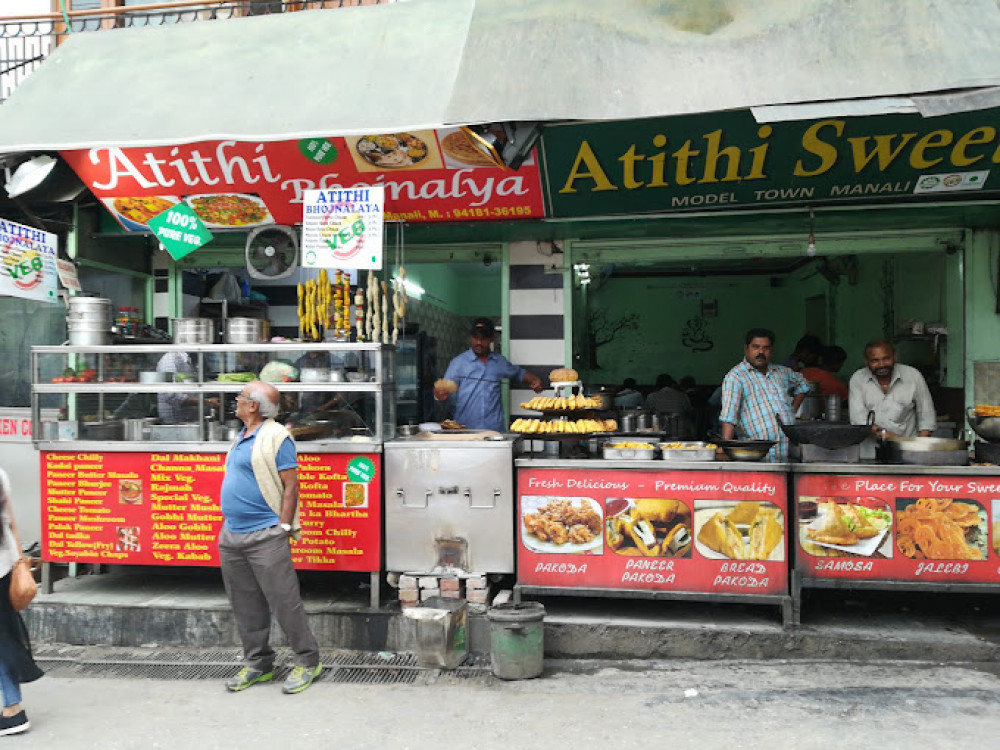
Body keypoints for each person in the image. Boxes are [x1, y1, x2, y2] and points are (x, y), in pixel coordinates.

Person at [219, 380, 321, 695]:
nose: (236, 400)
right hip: (233, 533)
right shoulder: (243, 435)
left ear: (254, 406)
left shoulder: (277, 437)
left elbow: (291, 486)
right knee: (245, 604)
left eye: (242, 396)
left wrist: (285, 527)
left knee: (284, 602)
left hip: (266, 535)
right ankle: (258, 664)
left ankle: (308, 661)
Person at [433, 318, 543, 432]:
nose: (479, 343)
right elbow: (443, 395)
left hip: (494, 431)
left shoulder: (499, 362)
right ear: (470, 338)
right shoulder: (458, 364)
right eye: (475, 338)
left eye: (483, 339)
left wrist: (534, 380)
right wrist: (439, 396)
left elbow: (518, 373)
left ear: (492, 338)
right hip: (465, 430)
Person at [720, 328, 811, 462]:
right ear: (746, 349)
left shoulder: (782, 372)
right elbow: (729, 416)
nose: (761, 352)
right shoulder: (736, 377)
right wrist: (723, 449)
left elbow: (803, 385)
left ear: (771, 350)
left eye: (766, 348)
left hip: (787, 452)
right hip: (756, 455)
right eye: (756, 347)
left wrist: (792, 410)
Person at [0, 468, 43, 736]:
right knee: (3, 637)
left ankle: (13, 710)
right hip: (3, 567)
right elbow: (7, 520)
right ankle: (13, 708)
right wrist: (16, 562)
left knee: (3, 641)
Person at [848, 340, 935, 445]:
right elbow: (859, 420)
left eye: (886, 359)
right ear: (866, 361)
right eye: (875, 361)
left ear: (895, 356)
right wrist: (891, 437)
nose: (881, 365)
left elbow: (927, 416)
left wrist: (919, 446)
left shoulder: (913, 376)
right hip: (870, 452)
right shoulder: (858, 379)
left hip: (908, 451)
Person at [156, 350, 200, 424]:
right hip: (173, 423)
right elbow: (170, 395)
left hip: (189, 421)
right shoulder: (169, 361)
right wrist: (205, 401)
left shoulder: (192, 359)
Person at [645, 373, 694, 438]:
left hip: (659, 433)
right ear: (671, 383)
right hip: (681, 432)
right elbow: (689, 412)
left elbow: (647, 414)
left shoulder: (651, 397)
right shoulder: (682, 396)